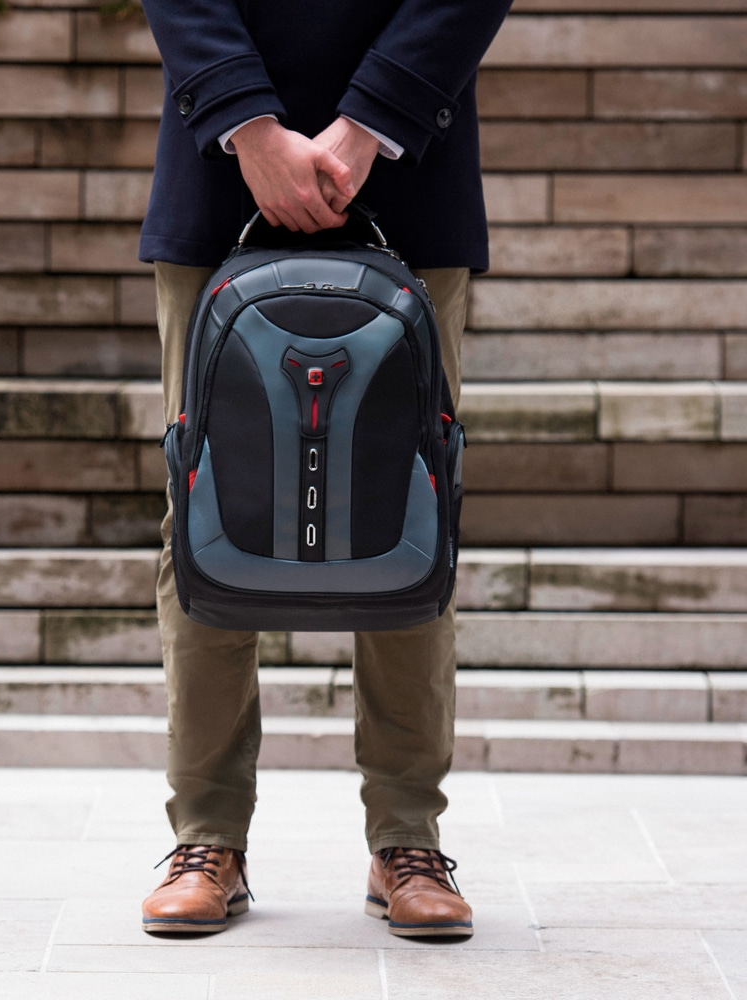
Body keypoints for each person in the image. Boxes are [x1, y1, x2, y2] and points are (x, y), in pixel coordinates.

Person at [137, 0, 513, 937]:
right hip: (219, 161)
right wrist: (249, 124)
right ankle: (207, 838)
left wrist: (371, 121)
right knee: (206, 502)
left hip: (408, 163)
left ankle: (407, 840)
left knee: (411, 497)